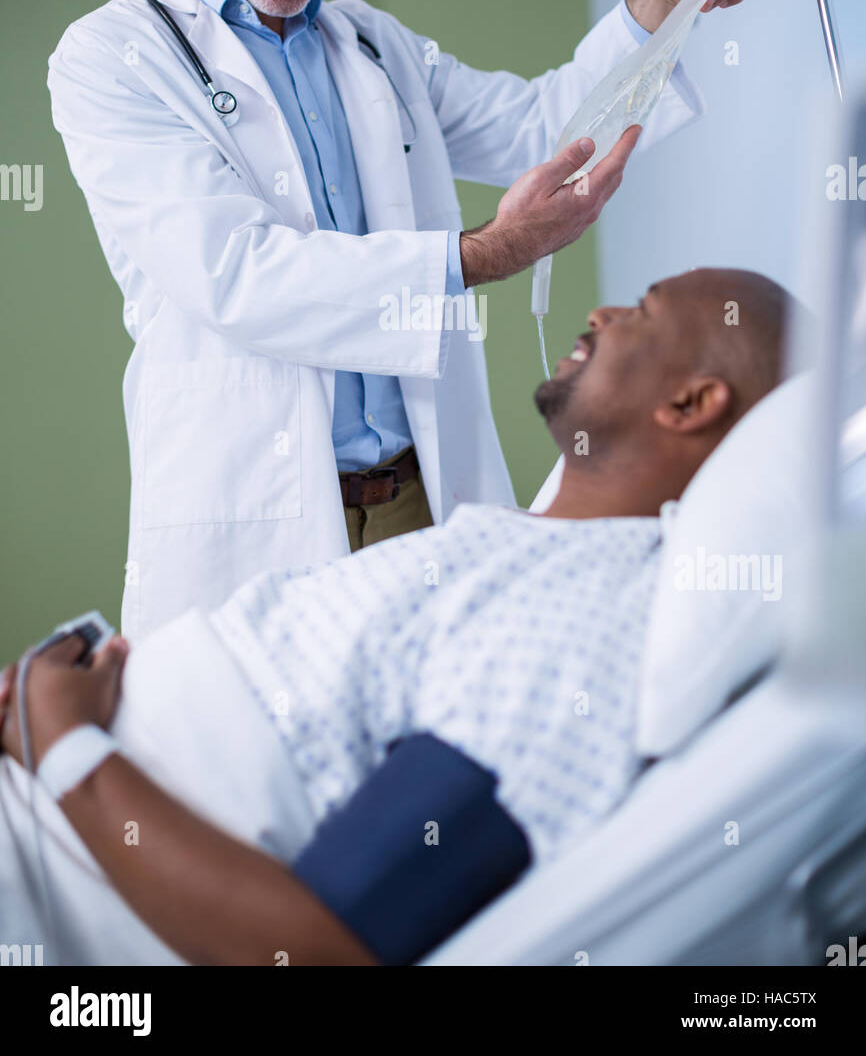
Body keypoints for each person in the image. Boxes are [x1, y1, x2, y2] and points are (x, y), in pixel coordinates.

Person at [47, 0, 752, 640]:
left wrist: (655, 2)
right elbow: (237, 274)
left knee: (444, 756)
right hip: (260, 518)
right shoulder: (116, 57)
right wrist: (484, 253)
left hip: (421, 504)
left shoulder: (371, 45)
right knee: (265, 771)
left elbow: (543, 128)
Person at [1, 267, 790, 967]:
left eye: (642, 312)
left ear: (691, 402)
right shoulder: (519, 546)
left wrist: (65, 742)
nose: (601, 314)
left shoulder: (587, 624)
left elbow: (316, 951)